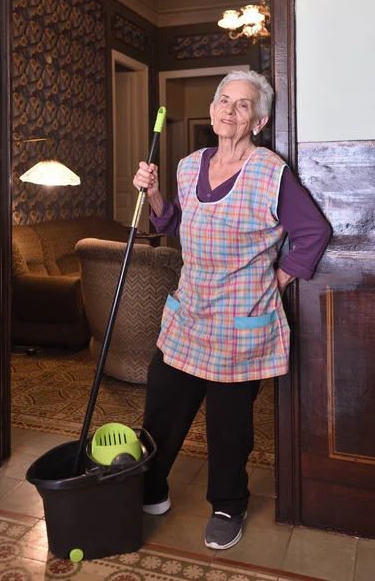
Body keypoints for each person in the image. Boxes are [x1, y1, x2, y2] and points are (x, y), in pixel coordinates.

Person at [133, 70, 332, 550]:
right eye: (224, 99)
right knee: (162, 406)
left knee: (228, 424)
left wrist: (278, 277)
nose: (228, 109)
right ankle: (150, 487)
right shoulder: (187, 165)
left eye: (243, 105)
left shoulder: (269, 172)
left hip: (241, 324)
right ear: (212, 108)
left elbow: (313, 233)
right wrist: (156, 193)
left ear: (259, 121)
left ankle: (228, 503)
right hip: (189, 314)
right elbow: (175, 223)